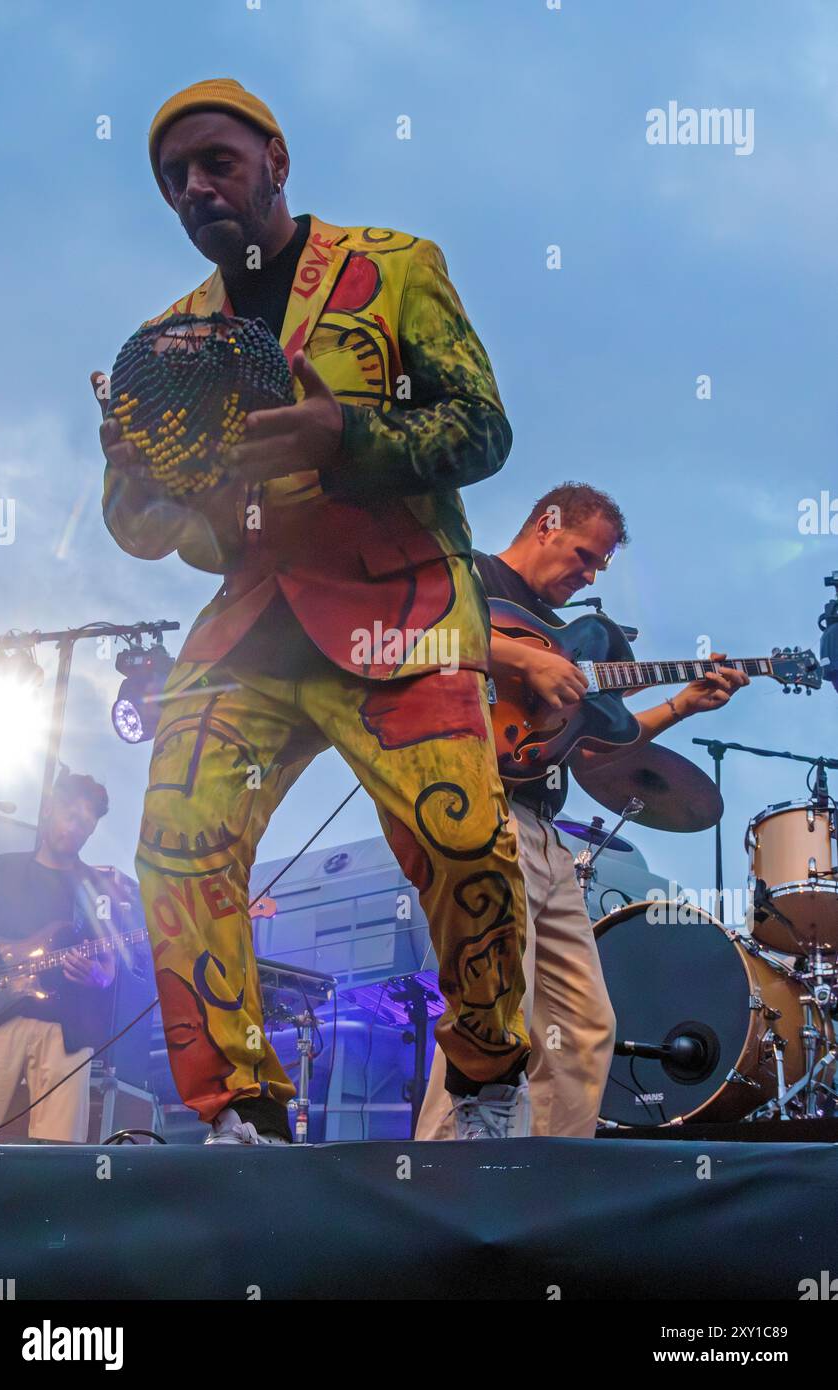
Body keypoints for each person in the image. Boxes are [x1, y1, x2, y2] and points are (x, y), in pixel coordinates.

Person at [93, 78, 531, 1145]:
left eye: (215, 163)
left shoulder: (395, 268)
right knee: (178, 847)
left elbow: (482, 430)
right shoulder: (169, 338)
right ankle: (240, 1111)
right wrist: (133, 481)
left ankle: (484, 1075)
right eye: (172, 179)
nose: (194, 188)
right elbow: (155, 535)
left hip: (400, 603)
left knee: (463, 840)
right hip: (250, 626)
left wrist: (347, 437)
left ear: (275, 161)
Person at [416, 481, 750, 1140]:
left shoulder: (574, 637)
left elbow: (595, 753)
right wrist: (524, 660)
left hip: (546, 833)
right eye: (585, 554)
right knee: (497, 1012)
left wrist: (683, 704)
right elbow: (416, 636)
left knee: (586, 1025)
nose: (591, 574)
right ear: (546, 523)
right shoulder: (473, 575)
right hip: (481, 811)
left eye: (600, 566)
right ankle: (443, 1182)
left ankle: (549, 1188)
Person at [0, 772, 115, 1142]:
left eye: (87, 822)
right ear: (49, 809)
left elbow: (110, 965)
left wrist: (99, 977)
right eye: (71, 814)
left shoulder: (97, 888)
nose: (78, 827)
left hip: (67, 1027)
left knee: (60, 1151)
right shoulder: (1, 868)